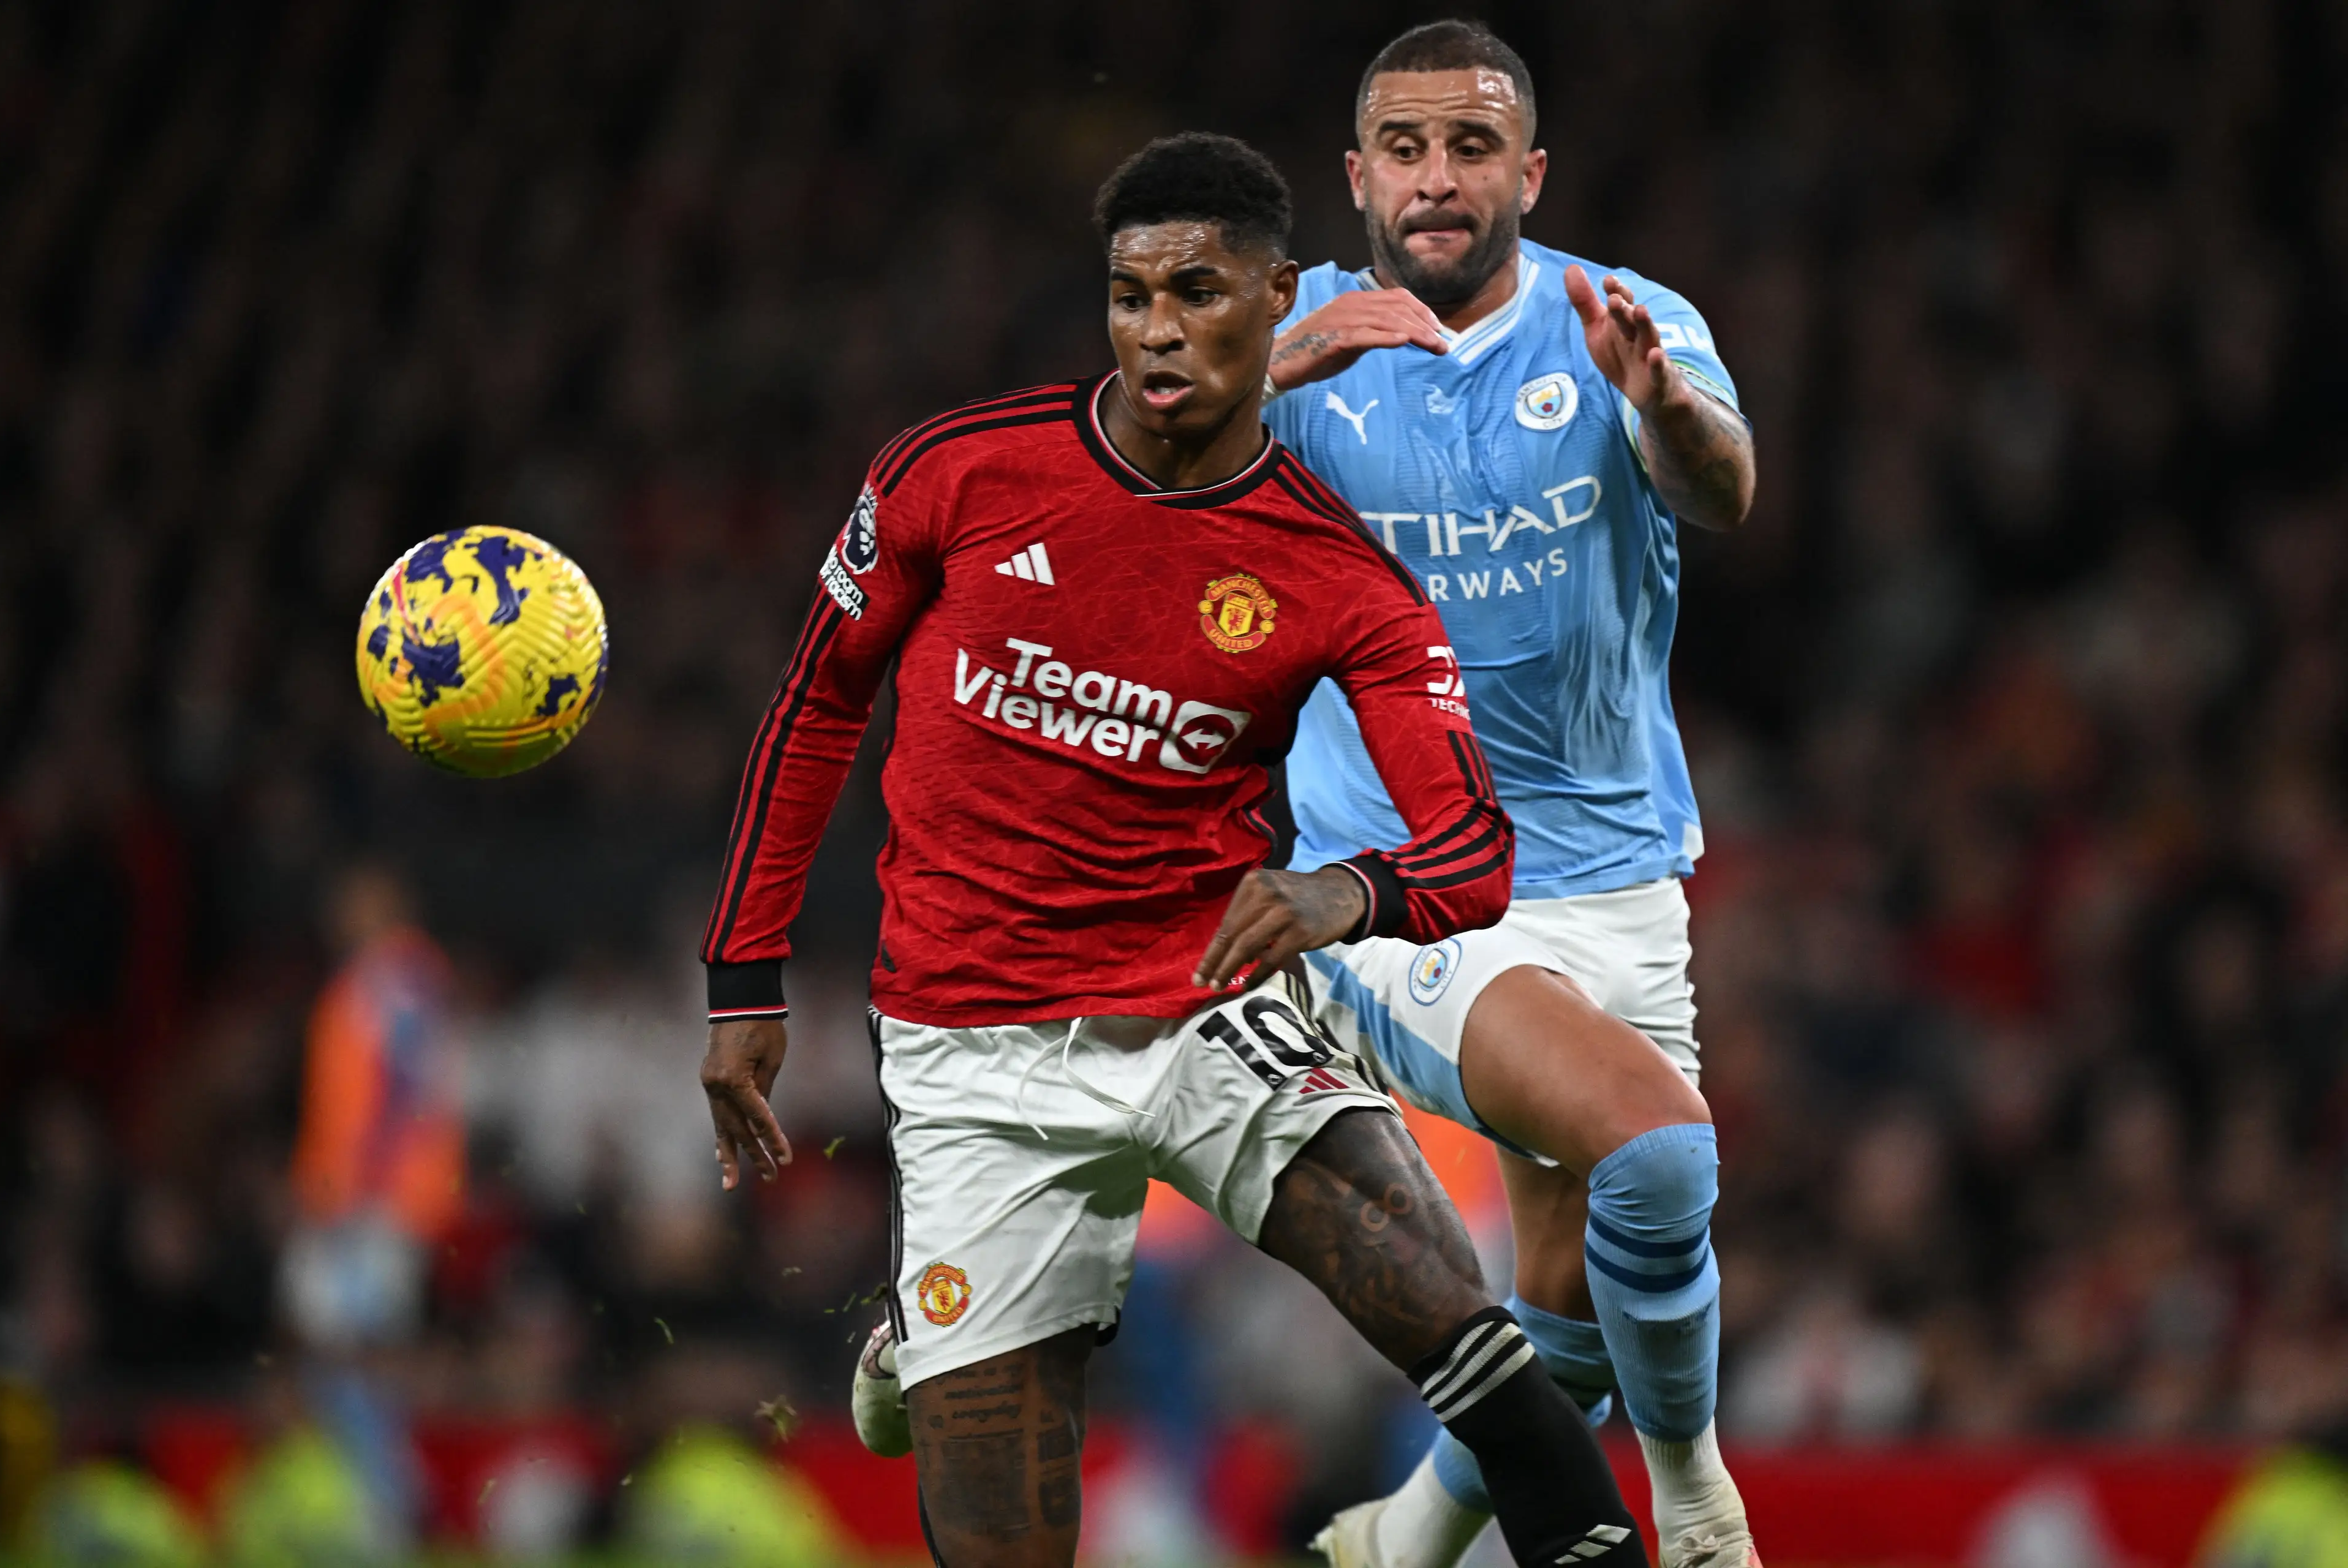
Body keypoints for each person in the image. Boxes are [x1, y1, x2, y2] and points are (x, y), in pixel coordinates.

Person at [702, 132, 1645, 1568]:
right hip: (974, 1052)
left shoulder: (1334, 573)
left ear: (1280, 299)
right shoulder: (955, 474)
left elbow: (1473, 849)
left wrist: (1349, 892)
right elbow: (818, 702)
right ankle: (930, 1312)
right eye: (1130, 294)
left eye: (1198, 292)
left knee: (1463, 1330)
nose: (1156, 328)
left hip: (1207, 1012)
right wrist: (742, 977)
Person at [1259, 21, 1762, 1568]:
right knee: (1664, 1155)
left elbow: (1723, 488)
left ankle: (1396, 1540)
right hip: (1403, 880)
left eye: (1472, 148)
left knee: (1580, 1305)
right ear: (1357, 177)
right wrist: (1261, 371)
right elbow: (1099, 482)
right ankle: (1696, 1497)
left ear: (1528, 173)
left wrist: (1658, 403)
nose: (1437, 179)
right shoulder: (1292, 342)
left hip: (1613, 874)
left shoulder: (1625, 319)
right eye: (1404, 149)